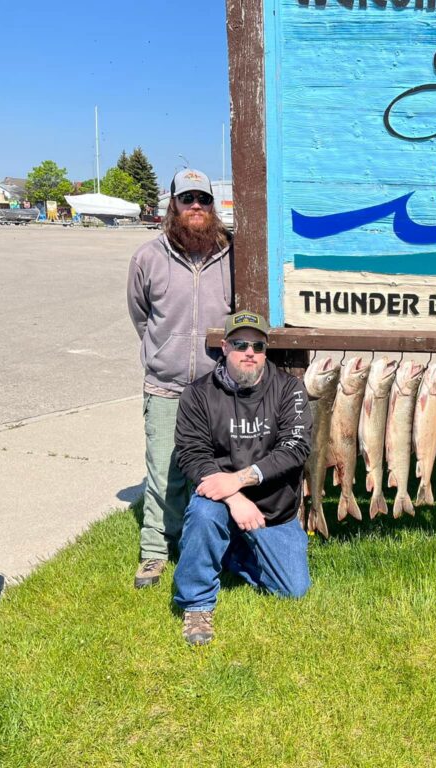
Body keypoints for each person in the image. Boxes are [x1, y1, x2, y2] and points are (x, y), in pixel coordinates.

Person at [173, 310, 312, 646]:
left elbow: (296, 448)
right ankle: (197, 603)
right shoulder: (198, 394)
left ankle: (229, 554)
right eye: (240, 344)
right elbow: (191, 454)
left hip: (273, 509)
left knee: (293, 590)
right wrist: (233, 497)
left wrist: (238, 481)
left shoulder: (289, 389)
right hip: (221, 502)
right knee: (205, 514)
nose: (250, 352)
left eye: (258, 346)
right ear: (224, 347)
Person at [126, 169, 233, 588]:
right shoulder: (147, 257)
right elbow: (140, 315)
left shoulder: (232, 255)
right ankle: (155, 551)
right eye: (187, 198)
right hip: (165, 385)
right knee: (163, 472)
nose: (195, 206)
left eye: (203, 200)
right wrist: (164, 351)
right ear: (173, 204)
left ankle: (202, 543)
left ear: (213, 207)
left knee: (208, 472)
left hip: (215, 389)